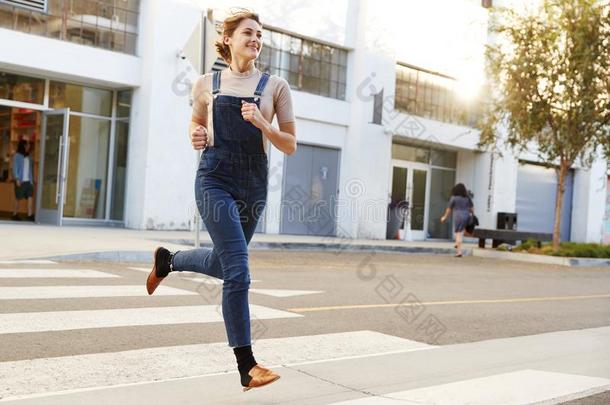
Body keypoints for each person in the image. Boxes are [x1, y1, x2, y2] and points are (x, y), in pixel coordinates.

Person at [146, 9, 296, 391]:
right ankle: (247, 366)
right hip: (214, 180)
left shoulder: (275, 86)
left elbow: (291, 145)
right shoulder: (206, 84)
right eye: (249, 33)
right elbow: (196, 124)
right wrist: (195, 135)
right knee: (239, 270)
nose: (256, 39)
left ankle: (170, 260)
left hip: (254, 185)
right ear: (228, 38)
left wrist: (264, 125)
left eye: (260, 35)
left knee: (222, 263)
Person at [440, 183, 473, 257]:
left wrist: (444, 217)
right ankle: (457, 244)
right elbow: (472, 208)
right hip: (466, 216)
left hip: (458, 216)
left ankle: (459, 252)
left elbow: (449, 209)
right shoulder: (467, 198)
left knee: (458, 234)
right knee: (460, 232)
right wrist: (472, 215)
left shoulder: (454, 198)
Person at [12, 140, 34, 221]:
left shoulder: (29, 156)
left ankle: (30, 215)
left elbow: (30, 169)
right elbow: (15, 168)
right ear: (24, 146)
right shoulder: (17, 156)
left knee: (30, 197)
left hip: (28, 181)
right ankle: (15, 214)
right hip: (20, 181)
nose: (29, 146)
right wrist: (17, 179)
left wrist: (31, 181)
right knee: (18, 198)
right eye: (27, 145)